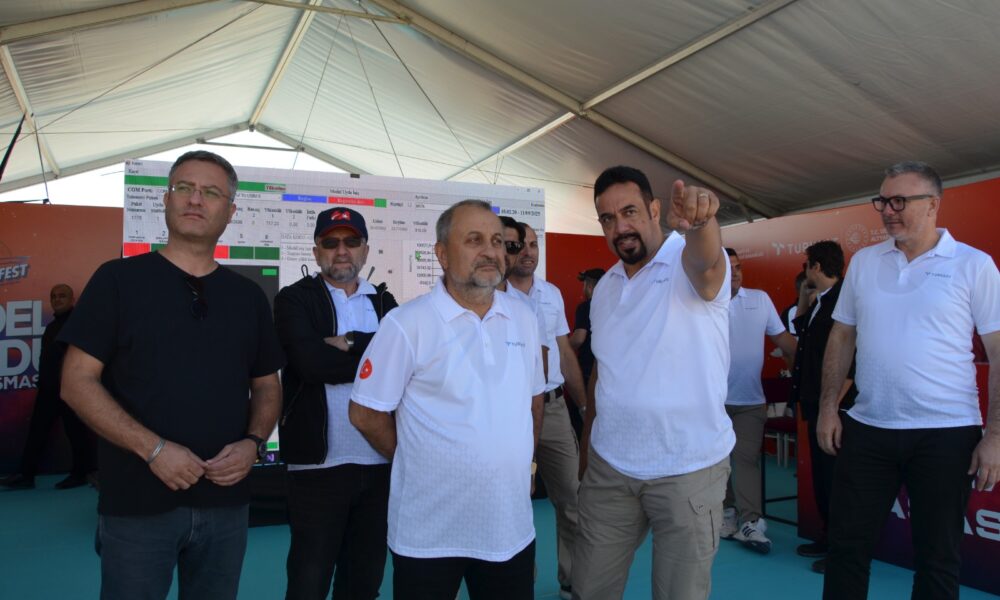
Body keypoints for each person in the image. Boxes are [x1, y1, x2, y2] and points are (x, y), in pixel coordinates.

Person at [58, 150, 285, 600]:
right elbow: (76, 382)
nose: (195, 199)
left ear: (230, 211)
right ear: (166, 200)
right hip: (137, 503)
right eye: (184, 187)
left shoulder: (248, 297)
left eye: (211, 192)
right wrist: (154, 449)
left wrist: (253, 442)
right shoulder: (117, 280)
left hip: (226, 503)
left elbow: (266, 385)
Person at [818, 161, 1000, 600]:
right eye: (882, 200)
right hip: (868, 428)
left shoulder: (974, 265)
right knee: (845, 549)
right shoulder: (865, 262)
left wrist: (995, 435)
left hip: (946, 433)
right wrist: (828, 408)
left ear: (933, 204)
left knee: (937, 560)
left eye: (900, 201)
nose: (887, 210)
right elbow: (842, 335)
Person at [349, 200, 546, 600]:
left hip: (508, 529)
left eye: (496, 241)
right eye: (474, 240)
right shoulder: (407, 324)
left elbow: (533, 402)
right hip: (429, 535)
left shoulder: (524, 318)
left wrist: (527, 464)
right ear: (441, 254)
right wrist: (416, 457)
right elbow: (365, 413)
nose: (490, 251)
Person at [573, 165, 733, 600]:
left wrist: (701, 222)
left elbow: (707, 264)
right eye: (608, 218)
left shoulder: (686, 260)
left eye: (629, 212)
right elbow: (603, 373)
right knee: (589, 590)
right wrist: (587, 452)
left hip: (688, 469)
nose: (620, 228)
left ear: (655, 209)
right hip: (610, 468)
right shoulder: (606, 288)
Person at [275, 207, 398, 600]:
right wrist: (376, 357)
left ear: (365, 249)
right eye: (330, 242)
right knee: (308, 583)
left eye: (351, 241)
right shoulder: (294, 299)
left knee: (363, 582)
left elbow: (403, 365)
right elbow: (311, 365)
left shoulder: (385, 302)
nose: (341, 250)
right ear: (316, 252)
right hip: (316, 466)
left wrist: (350, 342)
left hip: (380, 462)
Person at [508, 222, 588, 598]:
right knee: (513, 501)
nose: (527, 251)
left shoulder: (551, 293)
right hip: (510, 413)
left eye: (533, 244)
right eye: (518, 245)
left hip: (553, 409)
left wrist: (584, 405)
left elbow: (564, 352)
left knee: (572, 497)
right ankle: (518, 583)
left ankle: (572, 579)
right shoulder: (493, 295)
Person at [720, 248, 796, 554]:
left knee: (745, 458)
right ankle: (727, 511)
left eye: (738, 267)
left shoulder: (760, 299)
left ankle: (751, 521)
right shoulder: (701, 302)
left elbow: (785, 342)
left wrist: (812, 362)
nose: (736, 273)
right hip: (712, 402)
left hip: (751, 401)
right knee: (719, 461)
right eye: (729, 268)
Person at [788, 240, 855, 574]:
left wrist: (832, 409)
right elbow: (800, 329)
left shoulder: (844, 301)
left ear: (815, 266)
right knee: (822, 476)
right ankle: (828, 537)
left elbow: (852, 363)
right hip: (816, 403)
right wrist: (805, 295)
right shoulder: (821, 300)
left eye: (806, 266)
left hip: (834, 410)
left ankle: (842, 551)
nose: (804, 272)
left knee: (837, 480)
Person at [0, 284, 95, 490]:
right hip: (49, 388)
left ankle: (81, 473)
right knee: (37, 431)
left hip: (70, 388)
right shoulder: (52, 326)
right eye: (54, 296)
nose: (57, 299)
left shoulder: (77, 323)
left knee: (76, 431)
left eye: (62, 296)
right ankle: (26, 475)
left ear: (72, 300)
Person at [569, 268, 604, 437]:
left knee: (581, 424)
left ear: (589, 286)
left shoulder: (586, 307)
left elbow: (578, 338)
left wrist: (561, 349)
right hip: (607, 375)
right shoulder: (614, 304)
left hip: (588, 374)